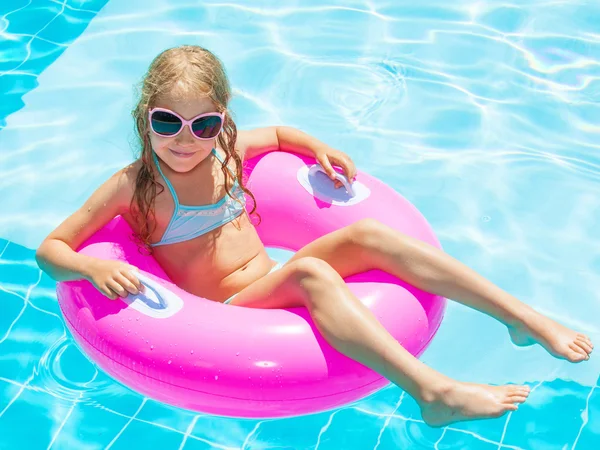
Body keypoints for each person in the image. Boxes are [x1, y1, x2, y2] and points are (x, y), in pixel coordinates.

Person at [35, 45, 593, 427]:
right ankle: (432, 392)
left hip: (267, 280)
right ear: (145, 118)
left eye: (202, 124)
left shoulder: (228, 152)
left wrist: (313, 147)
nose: (186, 139)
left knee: (371, 233)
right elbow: (51, 250)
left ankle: (520, 318)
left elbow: (277, 131)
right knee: (309, 271)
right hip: (228, 307)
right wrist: (90, 268)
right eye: (167, 123)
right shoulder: (133, 186)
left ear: (221, 120)